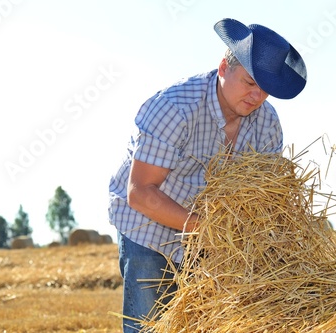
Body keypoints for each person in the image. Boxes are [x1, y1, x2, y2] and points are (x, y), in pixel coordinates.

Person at [108, 18, 307, 332]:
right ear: (224, 68)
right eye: (250, 83)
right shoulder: (175, 108)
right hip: (149, 231)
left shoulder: (267, 124)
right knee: (150, 326)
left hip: (210, 243)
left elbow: (266, 200)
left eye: (266, 90)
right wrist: (211, 229)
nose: (257, 97)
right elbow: (140, 193)